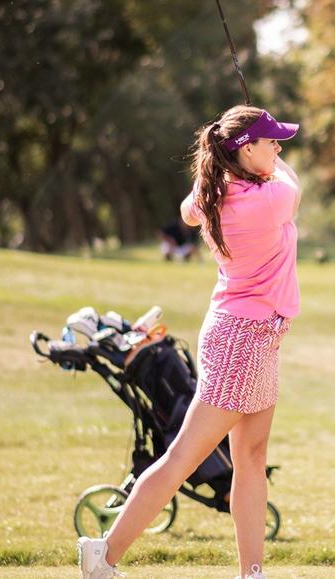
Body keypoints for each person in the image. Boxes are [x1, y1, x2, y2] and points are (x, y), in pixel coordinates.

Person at [78, 106, 302, 579]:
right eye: (271, 141)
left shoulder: (212, 194)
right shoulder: (270, 200)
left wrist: (244, 156)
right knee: (182, 457)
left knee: (251, 458)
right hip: (242, 341)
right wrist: (265, 161)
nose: (279, 148)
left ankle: (252, 573)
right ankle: (103, 554)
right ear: (246, 149)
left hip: (252, 335)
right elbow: (293, 185)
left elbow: (190, 206)